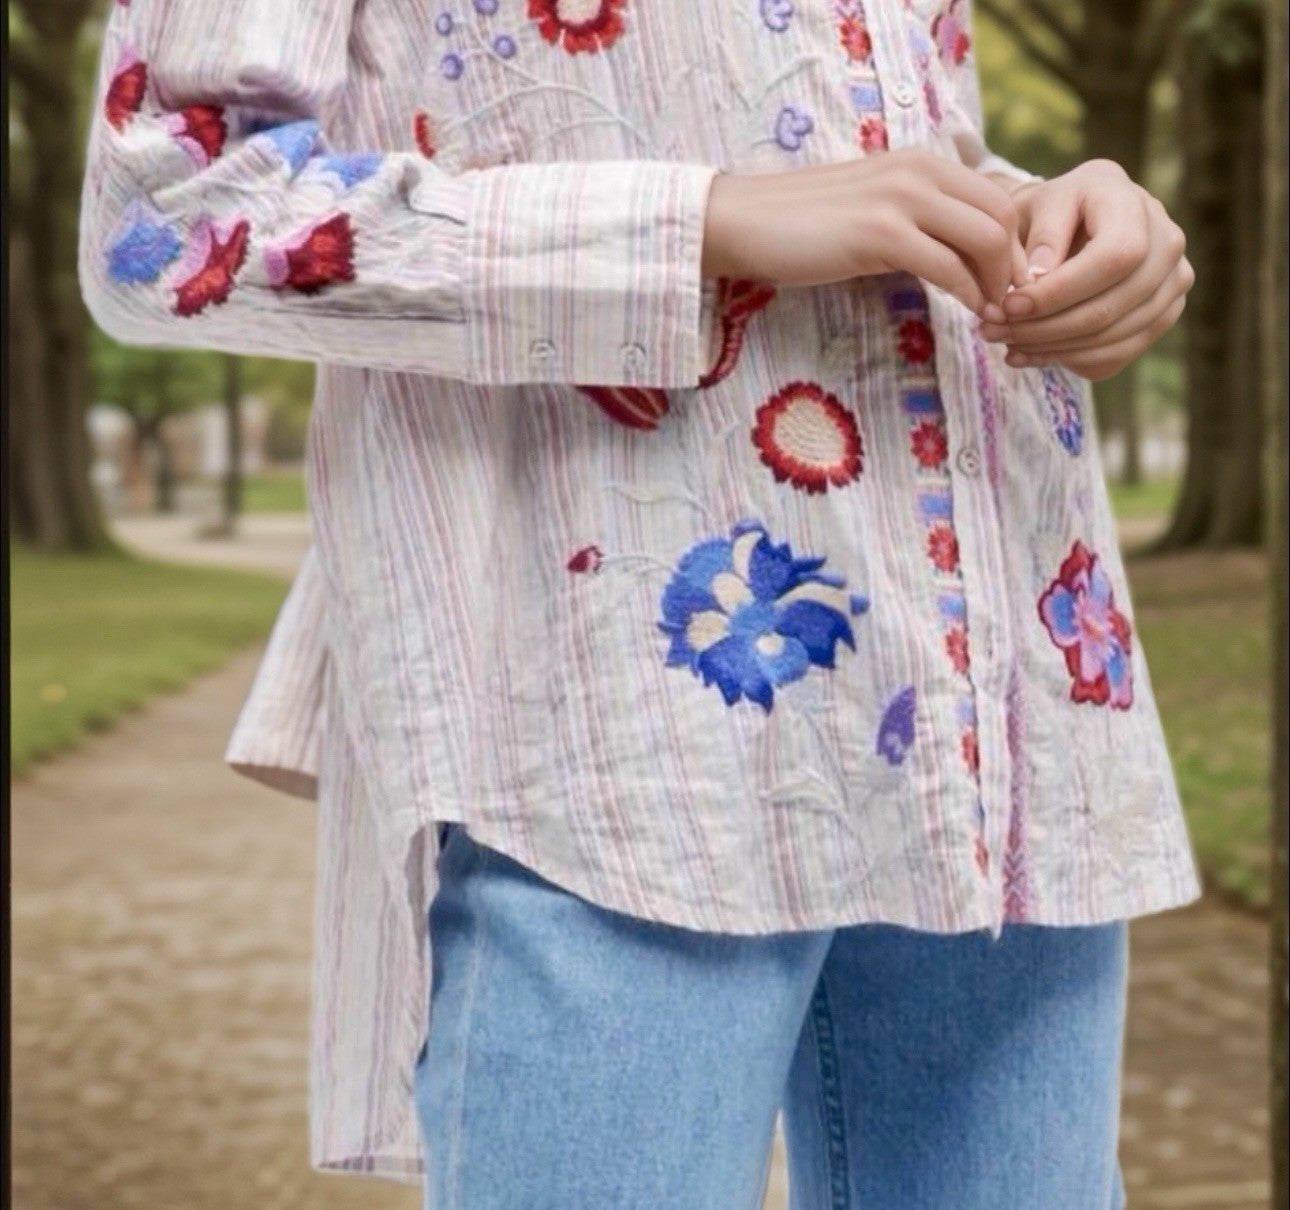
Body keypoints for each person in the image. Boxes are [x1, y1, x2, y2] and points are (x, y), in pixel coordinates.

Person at [79, 1, 1199, 1206]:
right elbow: (162, 218)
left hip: (1007, 706)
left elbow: (877, 131)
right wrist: (697, 219)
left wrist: (1062, 224)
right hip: (616, 728)